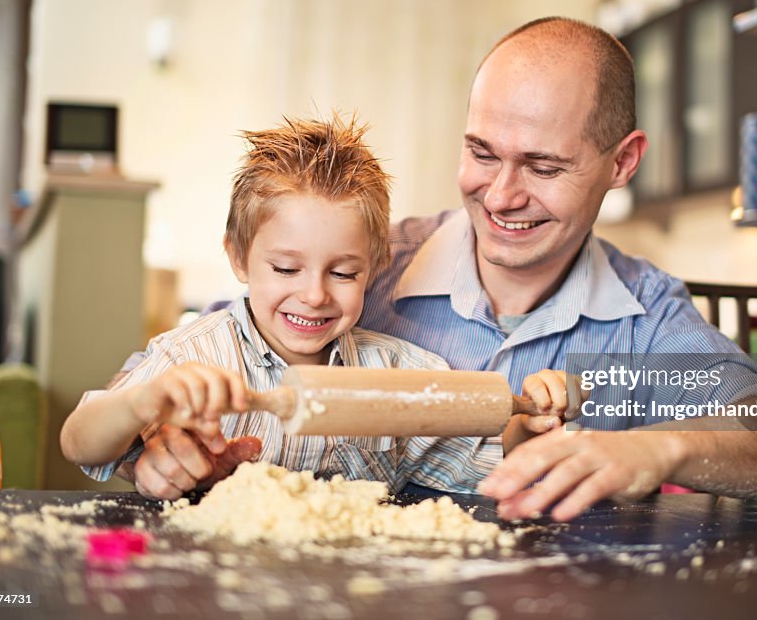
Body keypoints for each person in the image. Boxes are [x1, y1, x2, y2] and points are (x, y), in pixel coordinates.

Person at [124, 17, 757, 518]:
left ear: (622, 162)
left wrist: (657, 451)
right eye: (483, 153)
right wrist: (161, 442)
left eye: (544, 166)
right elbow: (205, 355)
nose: (501, 194)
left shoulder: (644, 316)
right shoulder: (360, 269)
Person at [60, 116, 508, 498]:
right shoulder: (189, 359)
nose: (314, 295)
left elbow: (492, 463)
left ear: (375, 268)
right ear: (238, 257)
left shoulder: (401, 375)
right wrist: (139, 404)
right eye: (286, 269)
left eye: (343, 274)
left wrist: (541, 424)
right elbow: (79, 441)